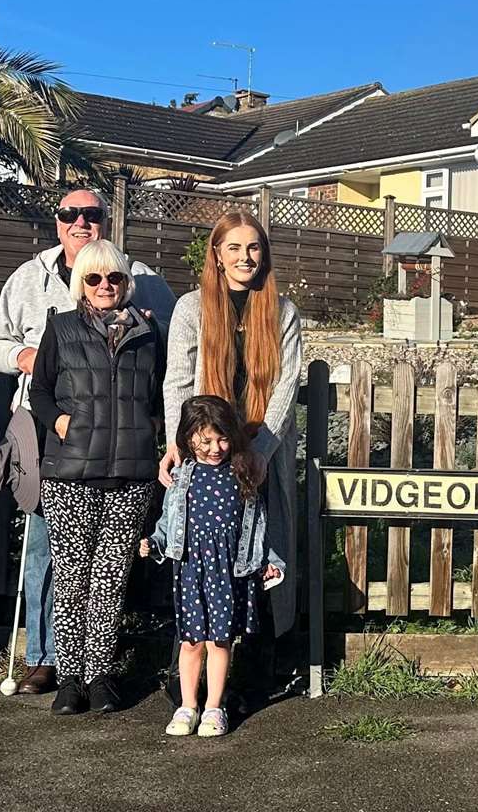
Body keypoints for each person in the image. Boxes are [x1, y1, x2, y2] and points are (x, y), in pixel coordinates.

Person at [0, 186, 175, 696]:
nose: (81, 221)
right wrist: (30, 358)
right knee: (49, 551)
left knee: (109, 564)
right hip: (50, 435)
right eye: (71, 213)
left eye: (92, 214)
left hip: (121, 447)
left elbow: (169, 356)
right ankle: (47, 658)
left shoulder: (144, 280)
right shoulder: (29, 278)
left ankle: (95, 668)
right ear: (57, 220)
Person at [161, 210, 303, 707]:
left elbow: (285, 385)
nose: (246, 258)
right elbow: (178, 382)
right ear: (217, 257)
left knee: (261, 556)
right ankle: (189, 681)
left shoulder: (282, 311)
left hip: (261, 454)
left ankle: (255, 670)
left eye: (254, 248)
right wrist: (175, 444)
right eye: (235, 249)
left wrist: (262, 450)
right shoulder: (190, 309)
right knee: (202, 558)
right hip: (207, 456)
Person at [28, 240, 164, 716]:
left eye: (114, 278)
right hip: (70, 473)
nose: (105, 286)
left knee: (110, 579)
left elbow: (161, 393)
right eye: (94, 278)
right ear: (80, 283)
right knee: (71, 578)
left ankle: (100, 674)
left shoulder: (148, 332)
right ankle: (69, 679)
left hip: (130, 473)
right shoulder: (60, 328)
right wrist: (60, 423)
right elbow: (40, 389)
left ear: (126, 283)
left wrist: (155, 430)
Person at [142, 395, 285, 738]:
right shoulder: (182, 475)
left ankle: (213, 707)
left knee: (220, 641)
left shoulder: (241, 473)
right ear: (188, 437)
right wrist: (156, 543)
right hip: (191, 568)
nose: (215, 448)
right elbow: (169, 521)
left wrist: (268, 561)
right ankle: (187, 705)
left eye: (223, 439)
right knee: (191, 641)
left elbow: (258, 526)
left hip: (227, 570)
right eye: (206, 441)